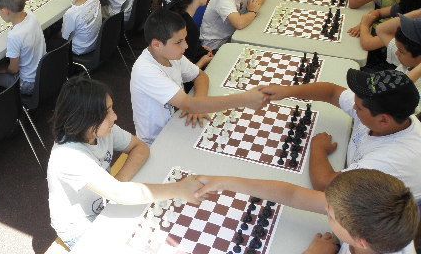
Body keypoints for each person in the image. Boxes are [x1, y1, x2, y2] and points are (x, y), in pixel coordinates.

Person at [47, 77, 204, 248]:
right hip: (81, 228)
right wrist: (177, 189)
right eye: (107, 112)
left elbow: (140, 148)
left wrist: (117, 184)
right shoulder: (68, 156)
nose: (115, 116)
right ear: (85, 119)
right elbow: (120, 194)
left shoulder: (103, 129)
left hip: (109, 202)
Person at [260, 68, 421, 199]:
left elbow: (325, 186)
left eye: (358, 108)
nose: (354, 107)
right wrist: (287, 91)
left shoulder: (387, 161)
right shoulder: (386, 114)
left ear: (383, 120)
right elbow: (331, 92)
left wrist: (318, 148)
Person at [195, 169, 417, 254]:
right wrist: (226, 181)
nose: (325, 210)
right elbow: (292, 195)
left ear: (361, 242)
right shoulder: (370, 218)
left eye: (329, 214)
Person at [131, 9, 266, 145]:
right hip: (156, 142)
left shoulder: (171, 55)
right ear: (157, 45)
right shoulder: (146, 71)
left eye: (185, 39)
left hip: (179, 124)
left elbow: (200, 76)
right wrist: (244, 99)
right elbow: (189, 104)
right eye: (179, 42)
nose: (186, 45)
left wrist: (199, 100)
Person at [29, 0, 101, 55]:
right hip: (96, 41)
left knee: (45, 42)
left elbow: (64, 37)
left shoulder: (72, 13)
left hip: (79, 50)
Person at [157, 0, 213, 69]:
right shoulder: (187, 27)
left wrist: (198, 49)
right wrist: (203, 60)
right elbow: (183, 75)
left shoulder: (171, 16)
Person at [375, 14, 421, 93]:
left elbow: (395, 93)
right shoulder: (410, 59)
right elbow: (381, 29)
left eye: (401, 51)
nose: (396, 53)